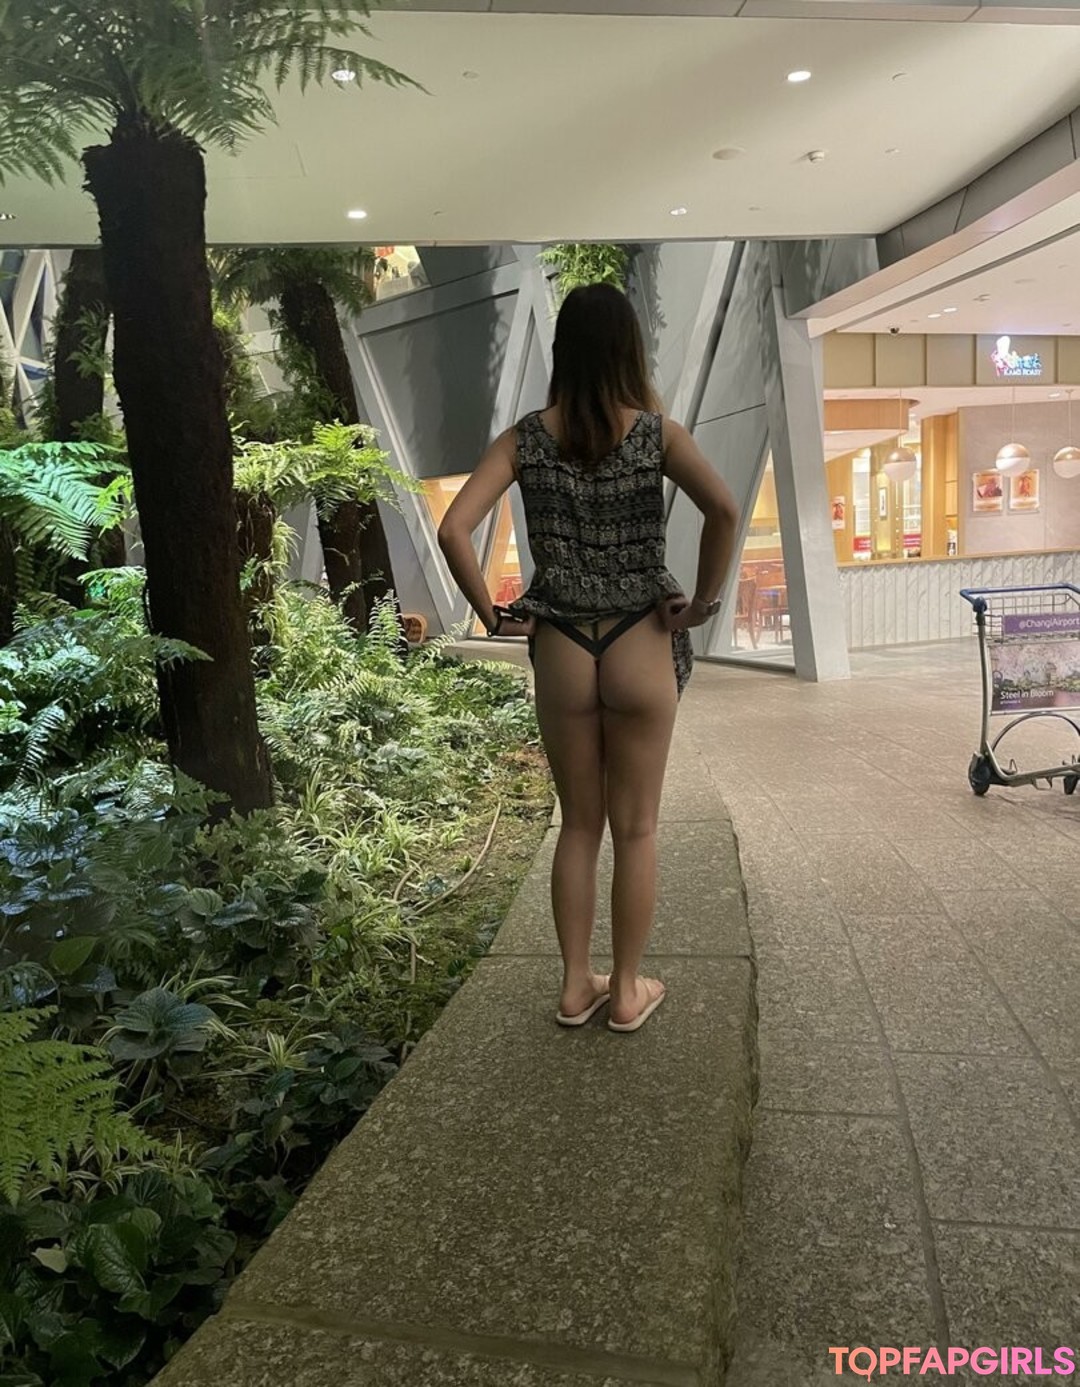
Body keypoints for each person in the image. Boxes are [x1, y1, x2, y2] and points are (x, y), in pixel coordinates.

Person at [437, 284, 737, 1033]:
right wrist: (701, 604)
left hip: (563, 644)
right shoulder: (657, 434)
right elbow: (725, 510)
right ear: (628, 349)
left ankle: (576, 986)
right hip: (640, 637)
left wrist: (493, 616)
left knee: (578, 825)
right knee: (637, 828)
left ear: (562, 351)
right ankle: (627, 989)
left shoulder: (524, 439)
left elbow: (453, 529)